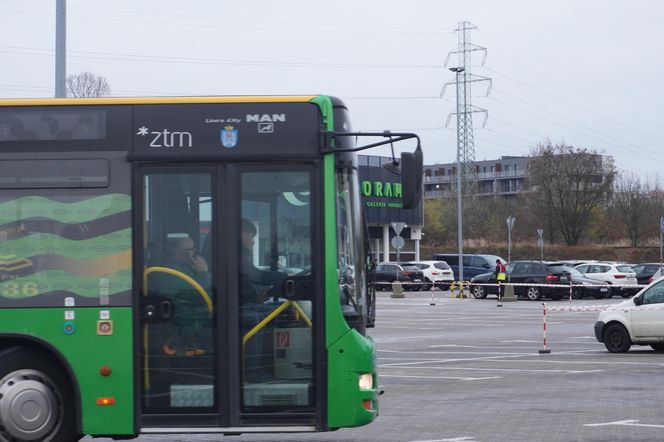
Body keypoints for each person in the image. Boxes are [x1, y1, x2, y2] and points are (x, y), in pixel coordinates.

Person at [239, 218, 287, 382]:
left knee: (280, 308)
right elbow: (255, 276)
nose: (252, 242)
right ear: (241, 234)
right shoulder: (234, 253)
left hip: (242, 302)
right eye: (251, 236)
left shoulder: (237, 253)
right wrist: (284, 277)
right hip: (235, 306)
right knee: (256, 318)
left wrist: (257, 295)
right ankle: (253, 371)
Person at [153, 234, 212, 357]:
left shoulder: (182, 269)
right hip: (189, 324)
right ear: (178, 252)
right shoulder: (169, 272)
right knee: (249, 319)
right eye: (191, 250)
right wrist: (204, 272)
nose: (195, 254)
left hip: (195, 318)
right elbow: (198, 295)